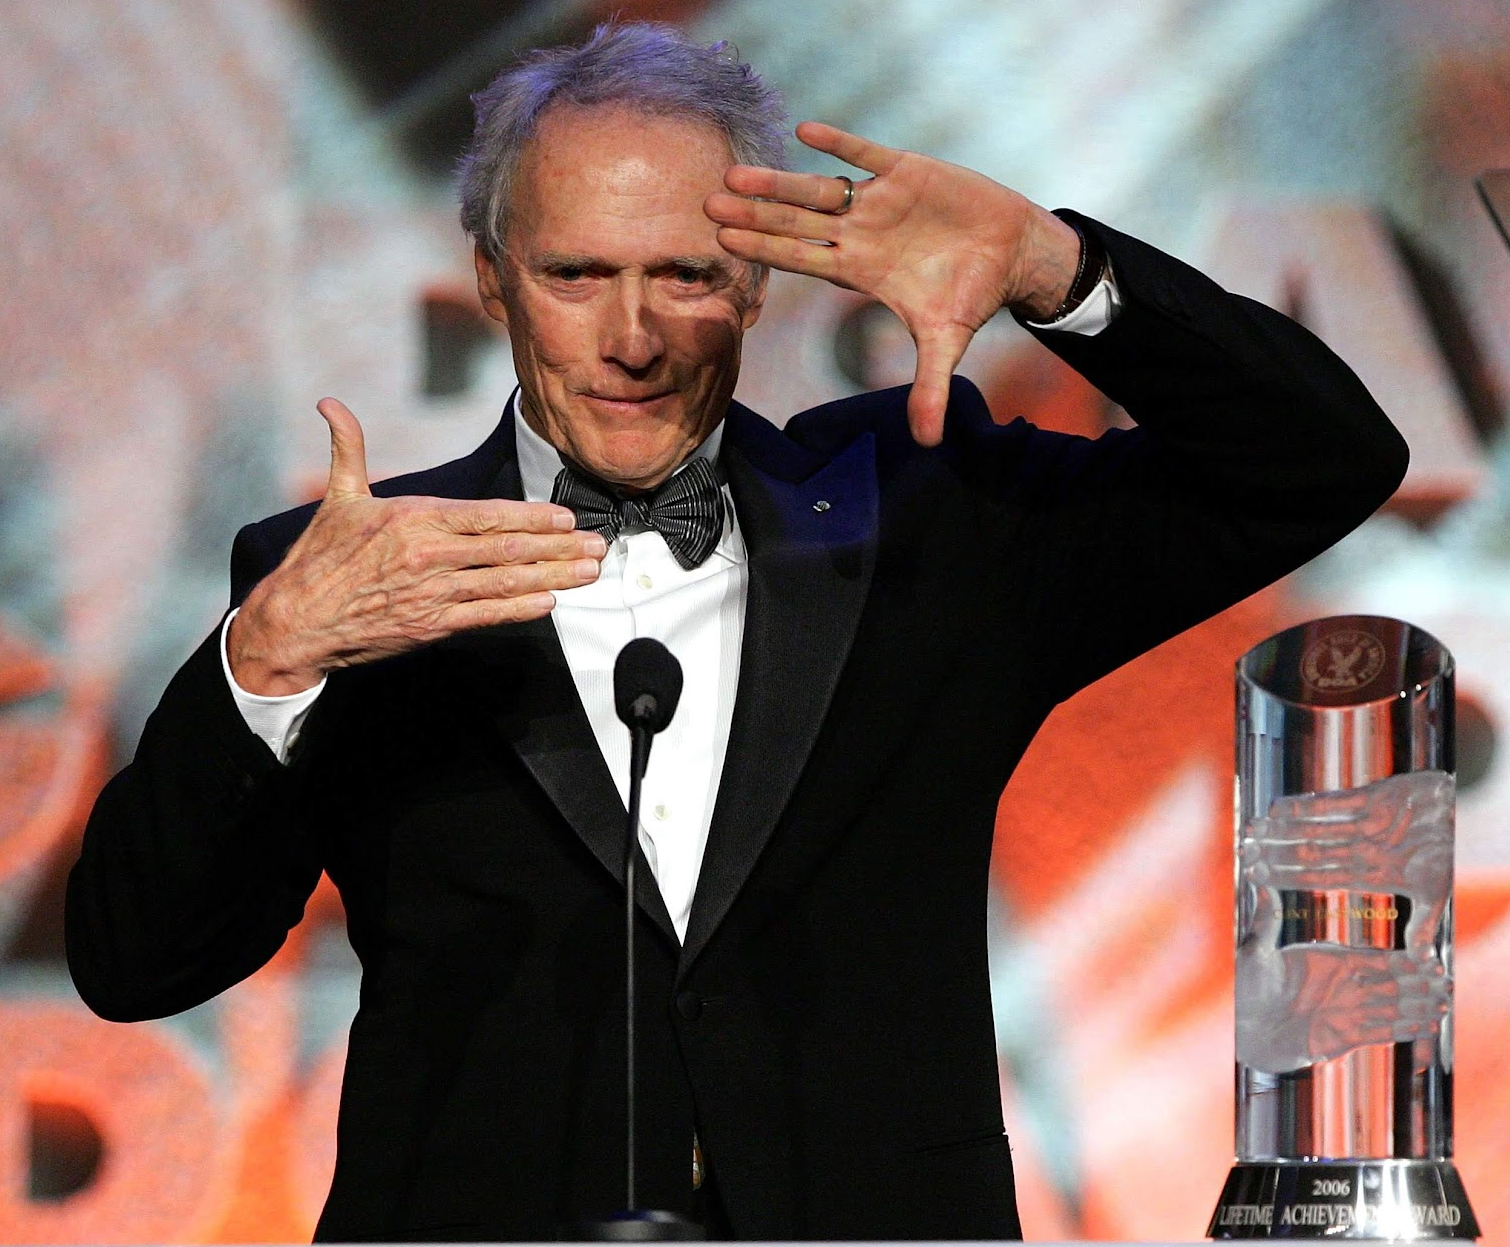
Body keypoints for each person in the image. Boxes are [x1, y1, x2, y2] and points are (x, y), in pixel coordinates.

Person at [66, 21, 1407, 1243]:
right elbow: (139, 965)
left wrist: (1059, 268)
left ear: (757, 287)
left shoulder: (930, 521)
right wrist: (266, 663)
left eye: (683, 276)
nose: (634, 335)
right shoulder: (356, 576)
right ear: (491, 282)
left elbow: (1319, 460)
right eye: (579, 274)